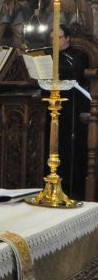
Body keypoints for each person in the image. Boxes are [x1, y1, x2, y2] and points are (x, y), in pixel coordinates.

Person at [51, 25, 90, 200]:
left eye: (58, 37)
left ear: (67, 38)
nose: (54, 41)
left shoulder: (78, 56)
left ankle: (72, 190)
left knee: (70, 150)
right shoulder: (48, 56)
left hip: (73, 109)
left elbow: (79, 79)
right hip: (51, 108)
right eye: (52, 38)